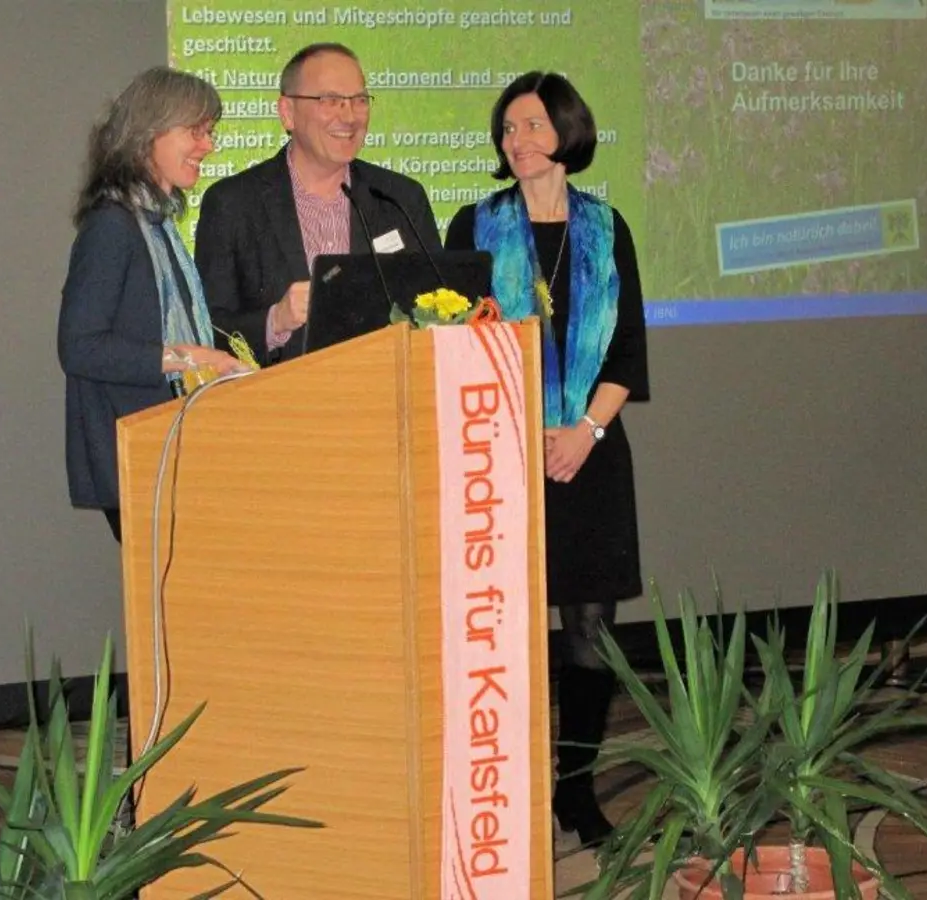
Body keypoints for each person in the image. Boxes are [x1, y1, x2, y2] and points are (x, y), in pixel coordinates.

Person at [444, 71, 649, 848]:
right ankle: (511, 787)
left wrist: (583, 434)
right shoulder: (474, 225)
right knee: (505, 634)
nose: (516, 141)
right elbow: (455, 343)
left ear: (566, 131)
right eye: (506, 130)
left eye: (530, 126)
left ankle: (576, 789)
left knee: (588, 630)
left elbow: (628, 349)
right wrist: (521, 433)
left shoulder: (607, 227)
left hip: (590, 455)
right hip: (496, 454)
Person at [58, 67, 243, 542]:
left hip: (173, 450)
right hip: (139, 455)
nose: (208, 146)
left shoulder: (157, 225)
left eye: (210, 132)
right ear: (146, 135)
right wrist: (188, 358)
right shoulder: (112, 228)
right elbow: (79, 347)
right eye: (195, 131)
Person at [194, 43, 440, 367]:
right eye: (330, 100)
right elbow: (206, 329)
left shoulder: (400, 198)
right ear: (287, 113)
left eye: (360, 100)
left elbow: (442, 306)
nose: (350, 116)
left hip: (384, 400)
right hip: (280, 407)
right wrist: (275, 321)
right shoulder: (233, 204)